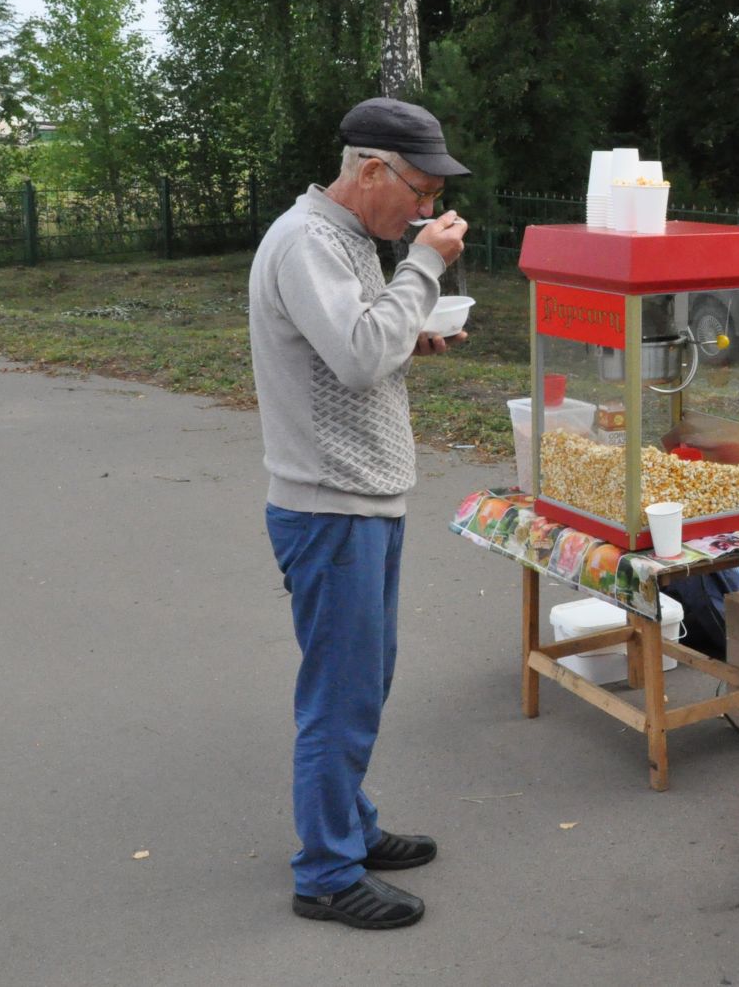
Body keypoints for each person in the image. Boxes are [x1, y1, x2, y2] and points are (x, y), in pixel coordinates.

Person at [248, 97, 471, 930]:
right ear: (371, 169)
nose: (423, 208)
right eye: (418, 190)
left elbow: (363, 340)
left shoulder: (346, 243)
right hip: (330, 505)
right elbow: (356, 353)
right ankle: (326, 874)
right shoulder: (308, 242)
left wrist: (409, 326)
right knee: (339, 697)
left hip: (362, 497)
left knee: (362, 686)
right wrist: (422, 269)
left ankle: (349, 827)